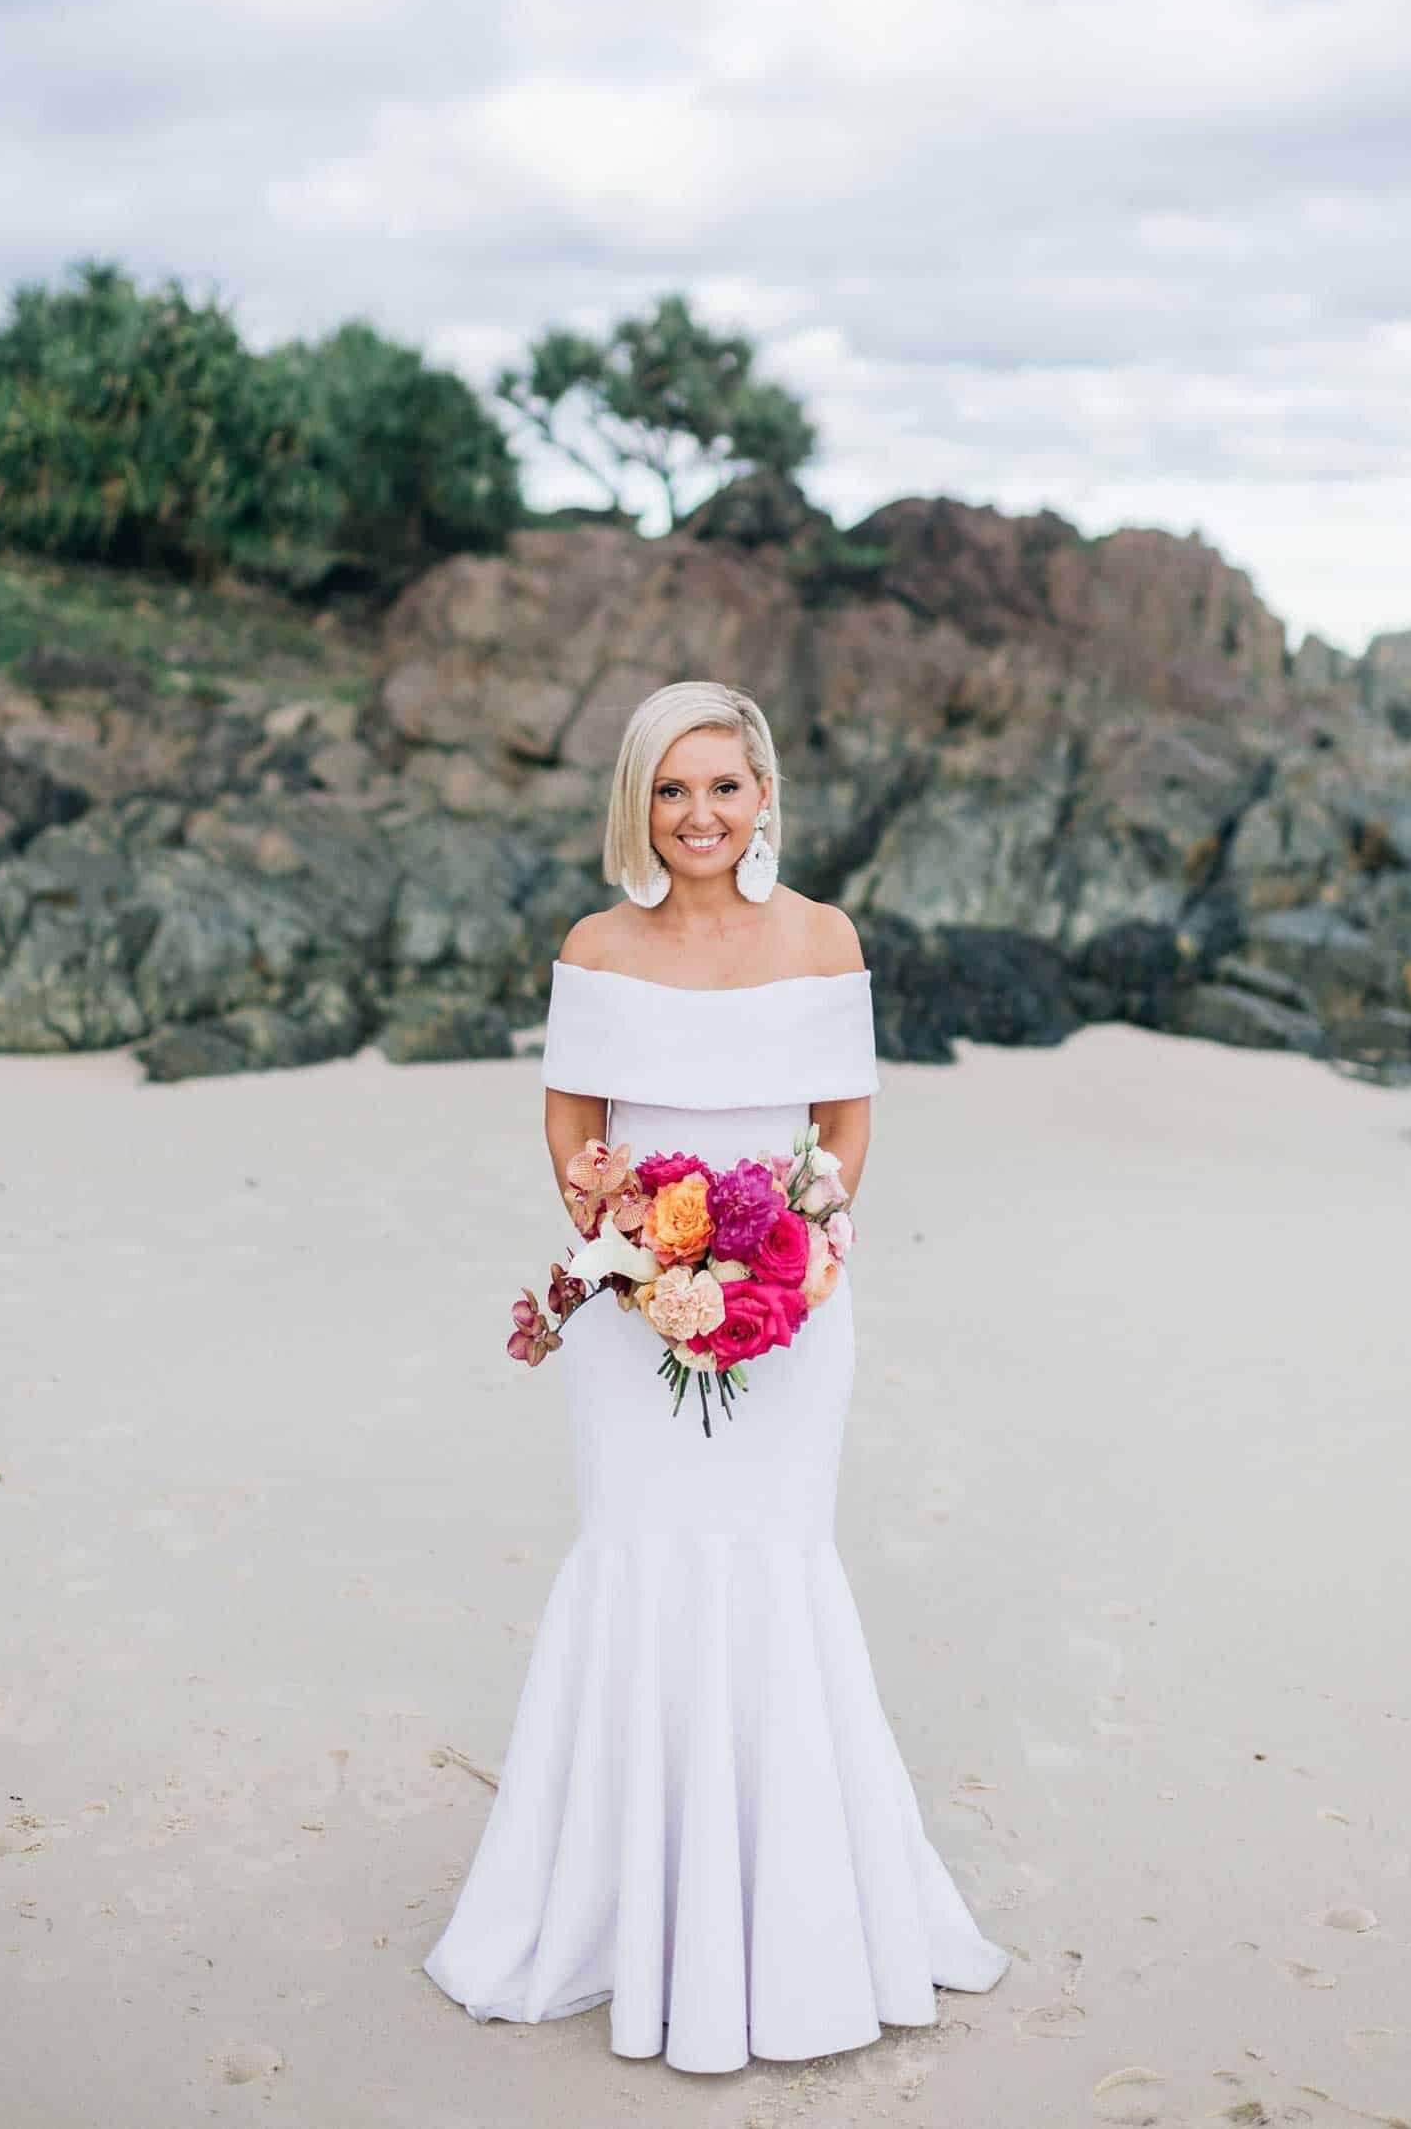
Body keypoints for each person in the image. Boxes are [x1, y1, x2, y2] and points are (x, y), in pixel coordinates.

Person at [422, 678, 1012, 2071]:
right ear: (639, 803)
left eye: (724, 788)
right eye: (672, 790)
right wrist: (621, 1248)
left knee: (772, 1562)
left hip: (793, 1310)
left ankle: (792, 1922)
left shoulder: (821, 936)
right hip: (631, 1316)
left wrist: (796, 1256)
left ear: (764, 797)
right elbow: (572, 1122)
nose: (700, 815)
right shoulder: (597, 943)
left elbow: (845, 1122)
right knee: (642, 1557)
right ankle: (621, 1919)